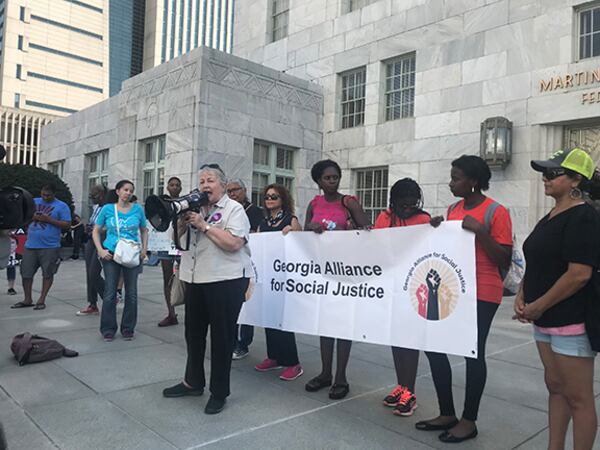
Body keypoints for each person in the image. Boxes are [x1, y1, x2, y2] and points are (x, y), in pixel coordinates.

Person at [416, 155, 513, 443]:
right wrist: (438, 228)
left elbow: (503, 258)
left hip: (483, 290)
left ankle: (469, 420)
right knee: (434, 346)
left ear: (473, 182)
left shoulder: (496, 212)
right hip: (453, 289)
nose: (451, 182)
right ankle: (447, 412)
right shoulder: (453, 208)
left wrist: (481, 231)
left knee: (472, 352)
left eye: (456, 177)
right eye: (451, 176)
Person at [514, 148, 600, 450]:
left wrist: (539, 305)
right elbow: (537, 261)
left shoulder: (584, 216)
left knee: (578, 397)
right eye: (543, 173)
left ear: (576, 179)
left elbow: (579, 274)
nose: (544, 179)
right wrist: (523, 294)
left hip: (570, 320)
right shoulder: (550, 216)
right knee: (555, 388)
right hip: (544, 319)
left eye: (552, 173)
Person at [163, 164, 253, 415]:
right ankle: (192, 382)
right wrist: (182, 223)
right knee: (193, 335)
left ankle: (219, 392)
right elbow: (177, 242)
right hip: (195, 280)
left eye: (210, 180)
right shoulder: (194, 209)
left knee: (222, 340)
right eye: (201, 180)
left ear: (222, 185)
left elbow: (234, 243)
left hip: (225, 281)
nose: (205, 185)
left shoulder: (234, 210)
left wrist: (204, 226)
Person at [304, 159, 370, 400]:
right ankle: (325, 373)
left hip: (344, 272)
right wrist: (311, 227)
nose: (332, 181)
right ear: (318, 181)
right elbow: (303, 234)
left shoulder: (348, 202)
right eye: (327, 178)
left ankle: (341, 377)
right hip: (322, 272)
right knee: (325, 325)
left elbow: (367, 229)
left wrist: (353, 227)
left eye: (335, 177)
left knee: (343, 324)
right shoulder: (314, 203)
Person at [375, 178, 431, 417]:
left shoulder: (424, 219)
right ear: (393, 202)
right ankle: (401, 386)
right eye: (404, 205)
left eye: (412, 205)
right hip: (390, 286)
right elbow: (376, 248)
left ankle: (411, 392)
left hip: (415, 288)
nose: (409, 210)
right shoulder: (384, 218)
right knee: (397, 340)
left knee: (410, 341)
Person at [254, 183, 303, 381]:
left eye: (274, 196)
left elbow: (302, 244)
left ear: (283, 199)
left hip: (284, 277)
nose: (270, 200)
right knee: (268, 317)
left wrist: (294, 232)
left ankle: (293, 362)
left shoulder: (290, 219)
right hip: (267, 276)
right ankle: (274, 356)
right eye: (267, 197)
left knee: (284, 320)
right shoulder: (263, 221)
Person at [93, 180, 148, 341]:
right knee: (110, 292)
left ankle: (128, 327)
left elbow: (144, 230)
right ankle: (108, 328)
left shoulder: (138, 209)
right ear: (117, 191)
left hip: (132, 254)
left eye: (131, 190)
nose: (128, 193)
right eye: (125, 190)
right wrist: (100, 250)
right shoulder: (108, 209)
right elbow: (96, 231)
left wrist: (144, 249)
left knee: (131, 293)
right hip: (111, 253)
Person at [11, 184, 71, 310]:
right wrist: (31, 217)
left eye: (48, 195)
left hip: (50, 246)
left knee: (47, 273)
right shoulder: (34, 202)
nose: (45, 197)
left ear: (54, 194)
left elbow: (67, 225)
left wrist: (48, 220)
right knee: (26, 273)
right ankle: (27, 299)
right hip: (31, 244)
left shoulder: (62, 206)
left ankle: (41, 299)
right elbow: (22, 217)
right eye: (43, 194)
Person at [227, 178, 264, 360]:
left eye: (236, 190)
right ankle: (231, 341)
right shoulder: (226, 211)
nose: (233, 194)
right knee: (231, 306)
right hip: (231, 263)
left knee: (247, 304)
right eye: (230, 191)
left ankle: (244, 343)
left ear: (245, 190)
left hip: (251, 262)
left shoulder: (256, 211)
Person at [77, 185, 107, 316]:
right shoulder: (96, 208)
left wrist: (97, 229)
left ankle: (109, 296)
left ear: (102, 195)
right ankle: (92, 304)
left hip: (102, 240)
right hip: (91, 240)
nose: (91, 199)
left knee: (94, 272)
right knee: (89, 273)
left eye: (93, 196)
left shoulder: (109, 208)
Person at [157, 176, 183, 327]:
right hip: (165, 244)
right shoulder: (162, 204)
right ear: (167, 187)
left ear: (180, 188)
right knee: (167, 279)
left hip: (181, 245)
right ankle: (171, 313)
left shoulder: (184, 203)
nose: (174, 187)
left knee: (186, 278)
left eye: (177, 185)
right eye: (171, 185)